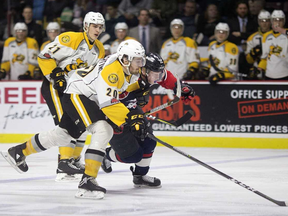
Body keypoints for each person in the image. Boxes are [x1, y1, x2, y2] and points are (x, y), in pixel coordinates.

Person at [1, 39, 148, 200]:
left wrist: (135, 96)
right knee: (103, 129)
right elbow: (108, 103)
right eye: (137, 60)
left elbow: (117, 92)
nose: (140, 64)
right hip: (78, 95)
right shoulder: (113, 72)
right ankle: (88, 180)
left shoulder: (126, 67)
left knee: (62, 135)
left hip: (83, 95)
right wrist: (130, 117)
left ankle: (18, 151)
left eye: (141, 60)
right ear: (125, 59)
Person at [101, 52, 195, 187]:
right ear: (144, 70)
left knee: (149, 140)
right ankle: (107, 155)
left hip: (133, 111)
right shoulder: (127, 76)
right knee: (132, 156)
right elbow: (109, 100)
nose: (158, 78)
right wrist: (131, 108)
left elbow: (166, 77)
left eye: (159, 74)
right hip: (113, 115)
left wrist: (180, 87)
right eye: (156, 75)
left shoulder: (148, 73)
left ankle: (140, 176)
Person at [38, 12, 105, 182]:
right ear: (85, 26)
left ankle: (73, 161)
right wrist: (56, 74)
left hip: (73, 90)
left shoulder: (100, 49)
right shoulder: (71, 39)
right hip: (54, 86)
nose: (97, 30)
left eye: (99, 27)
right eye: (94, 26)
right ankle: (63, 164)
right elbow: (45, 55)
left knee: (81, 123)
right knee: (65, 123)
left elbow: (95, 75)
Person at [257, 10, 288, 80]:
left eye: (280, 20)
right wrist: (260, 67)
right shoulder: (266, 36)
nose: (278, 22)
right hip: (269, 74)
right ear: (271, 21)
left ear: (284, 21)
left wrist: (283, 31)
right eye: (275, 20)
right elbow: (265, 56)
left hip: (285, 73)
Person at [245, 10, 271, 80]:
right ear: (259, 22)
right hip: (257, 72)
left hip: (273, 71)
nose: (264, 23)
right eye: (262, 21)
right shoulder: (252, 38)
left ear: (270, 22)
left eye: (266, 21)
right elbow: (249, 60)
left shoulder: (276, 36)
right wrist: (252, 53)